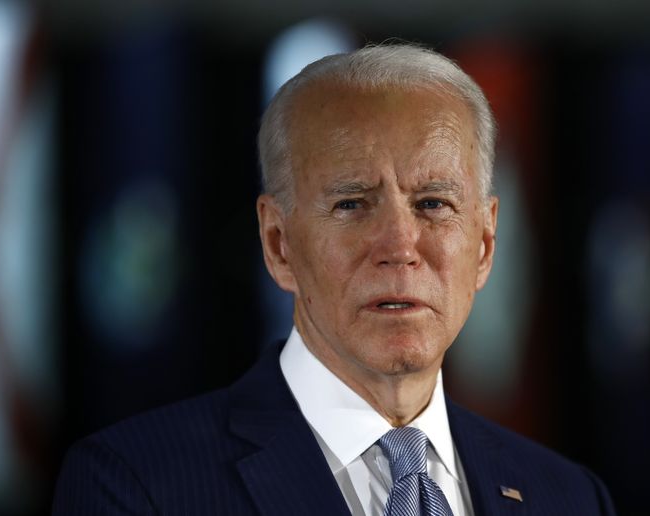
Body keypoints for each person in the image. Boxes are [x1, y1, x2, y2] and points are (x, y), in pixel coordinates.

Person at [53, 43, 615, 516]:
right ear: (279, 246)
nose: (400, 247)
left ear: (486, 245)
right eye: (352, 204)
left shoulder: (568, 498)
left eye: (433, 203)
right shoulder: (136, 486)